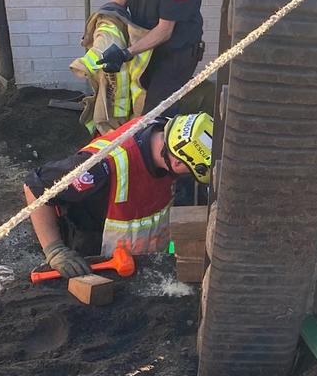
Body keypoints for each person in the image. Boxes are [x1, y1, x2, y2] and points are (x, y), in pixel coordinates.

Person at [24, 113, 214, 278]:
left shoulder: (168, 133)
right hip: (93, 258)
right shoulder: (100, 167)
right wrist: (55, 251)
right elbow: (35, 187)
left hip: (140, 261)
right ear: (178, 163)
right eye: (189, 173)